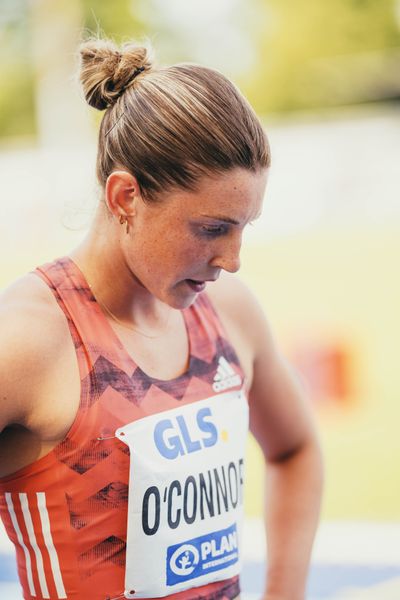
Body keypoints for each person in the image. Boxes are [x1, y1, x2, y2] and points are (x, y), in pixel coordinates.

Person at [0, 38, 323, 600]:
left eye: (246, 227)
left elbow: (295, 449)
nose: (233, 260)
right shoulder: (28, 339)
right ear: (126, 197)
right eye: (212, 229)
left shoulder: (231, 313)